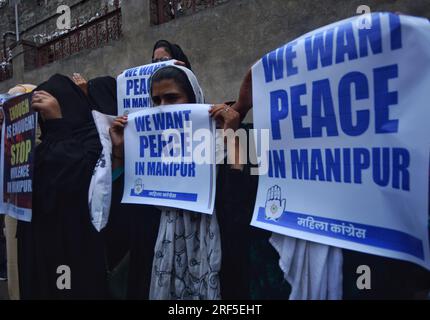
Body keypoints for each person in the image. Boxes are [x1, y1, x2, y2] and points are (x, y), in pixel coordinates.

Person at [109, 65, 255, 299]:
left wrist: (232, 138)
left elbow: (239, 210)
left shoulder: (220, 140)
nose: (162, 108)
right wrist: (119, 153)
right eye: (156, 100)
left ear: (193, 98)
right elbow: (127, 222)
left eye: (172, 98)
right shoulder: (148, 152)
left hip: (216, 271)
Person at [17, 74, 107, 299]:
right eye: (42, 116)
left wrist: (57, 122)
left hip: (71, 250)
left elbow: (75, 175)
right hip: (39, 248)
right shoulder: (40, 148)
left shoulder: (94, 139)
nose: (45, 121)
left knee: (66, 290)